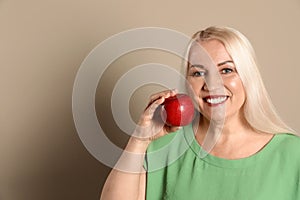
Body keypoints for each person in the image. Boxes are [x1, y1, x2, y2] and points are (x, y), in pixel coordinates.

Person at [100, 26, 300, 200]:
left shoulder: (293, 153)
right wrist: (139, 139)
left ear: (248, 77)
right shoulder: (163, 148)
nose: (212, 84)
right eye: (198, 73)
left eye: (227, 70)